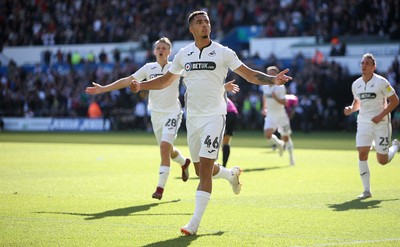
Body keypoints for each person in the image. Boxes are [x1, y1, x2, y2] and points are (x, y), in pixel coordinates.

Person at [129, 10, 292, 236]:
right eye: (199, 22)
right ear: (191, 29)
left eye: (207, 21)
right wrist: (142, 86)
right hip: (193, 119)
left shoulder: (223, 52)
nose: (204, 24)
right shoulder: (184, 54)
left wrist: (272, 80)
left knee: (205, 170)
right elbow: (165, 81)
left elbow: (249, 74)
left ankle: (193, 224)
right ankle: (230, 175)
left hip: (215, 117)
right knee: (199, 170)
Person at [85, 37, 191, 200]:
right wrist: (103, 89)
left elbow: (195, 78)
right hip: (156, 114)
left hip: (173, 113)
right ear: (154, 51)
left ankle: (160, 189)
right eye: (158, 48)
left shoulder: (175, 67)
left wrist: (220, 87)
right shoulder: (148, 68)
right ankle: (184, 163)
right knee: (168, 151)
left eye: (164, 48)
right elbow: (128, 80)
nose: (161, 50)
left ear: (170, 52)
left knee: (164, 148)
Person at [343, 53, 399, 200]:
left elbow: (395, 101)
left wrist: (381, 116)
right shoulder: (356, 84)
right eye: (362, 63)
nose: (364, 66)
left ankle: (395, 147)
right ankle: (366, 190)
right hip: (363, 123)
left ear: (374, 67)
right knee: (362, 154)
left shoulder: (382, 82)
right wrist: (350, 109)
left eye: (367, 63)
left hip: (381, 124)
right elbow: (357, 103)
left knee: (382, 160)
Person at [261, 66, 295, 166]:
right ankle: (279, 144)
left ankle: (291, 157)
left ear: (276, 75)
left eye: (272, 74)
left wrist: (275, 98)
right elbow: (264, 96)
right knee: (267, 135)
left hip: (281, 116)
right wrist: (264, 108)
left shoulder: (280, 87)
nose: (270, 76)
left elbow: (284, 103)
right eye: (268, 74)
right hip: (270, 115)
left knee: (286, 137)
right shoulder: (265, 86)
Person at [222, 97, 239, 167]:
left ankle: (212, 166)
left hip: (226, 114)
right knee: (226, 141)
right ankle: (224, 165)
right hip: (234, 113)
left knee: (215, 138)